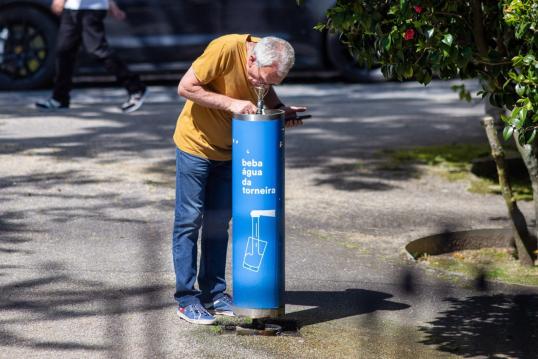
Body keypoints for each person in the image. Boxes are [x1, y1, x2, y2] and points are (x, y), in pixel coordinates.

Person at [172, 34, 305, 325]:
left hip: (231, 151)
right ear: (252, 58)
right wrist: (231, 103)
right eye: (260, 79)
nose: (262, 85)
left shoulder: (265, 65)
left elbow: (266, 97)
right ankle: (186, 298)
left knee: (219, 221)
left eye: (271, 82)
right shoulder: (225, 49)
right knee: (189, 219)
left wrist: (281, 110)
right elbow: (186, 87)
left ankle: (215, 293)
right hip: (196, 145)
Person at [36, 0, 146, 113]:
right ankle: (59, 98)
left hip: (91, 8)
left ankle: (136, 88)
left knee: (97, 50)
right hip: (71, 8)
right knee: (64, 51)